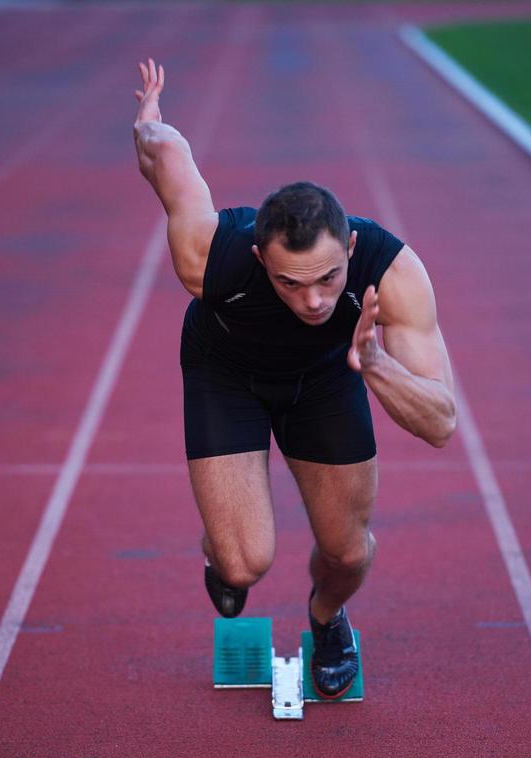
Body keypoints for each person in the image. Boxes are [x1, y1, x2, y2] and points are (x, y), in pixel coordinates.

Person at [133, 59, 456, 700]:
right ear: (259, 258)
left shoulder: (389, 271)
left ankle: (327, 618)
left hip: (328, 378)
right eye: (290, 283)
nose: (313, 303)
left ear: (349, 250)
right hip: (226, 372)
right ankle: (218, 549)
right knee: (241, 563)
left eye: (328, 280)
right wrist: (148, 122)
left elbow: (441, 423)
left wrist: (378, 364)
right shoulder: (211, 253)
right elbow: (165, 157)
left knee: (347, 553)